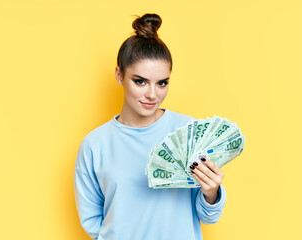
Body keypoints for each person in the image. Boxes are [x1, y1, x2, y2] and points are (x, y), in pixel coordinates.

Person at [74, 13, 227, 240]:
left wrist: (211, 191)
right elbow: (92, 223)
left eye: (162, 83)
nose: (152, 95)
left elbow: (208, 215)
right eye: (140, 81)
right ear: (119, 75)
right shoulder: (95, 145)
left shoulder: (188, 131)